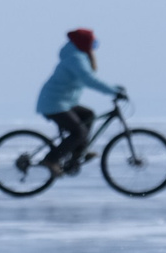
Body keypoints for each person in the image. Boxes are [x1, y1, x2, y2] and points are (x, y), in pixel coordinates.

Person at [36, 29, 123, 174]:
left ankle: (78, 152)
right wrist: (114, 91)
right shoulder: (75, 59)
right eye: (92, 44)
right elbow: (89, 80)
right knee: (78, 132)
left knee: (88, 115)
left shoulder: (77, 56)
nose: (94, 48)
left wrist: (113, 89)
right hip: (54, 104)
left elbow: (90, 77)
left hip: (62, 103)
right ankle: (50, 160)